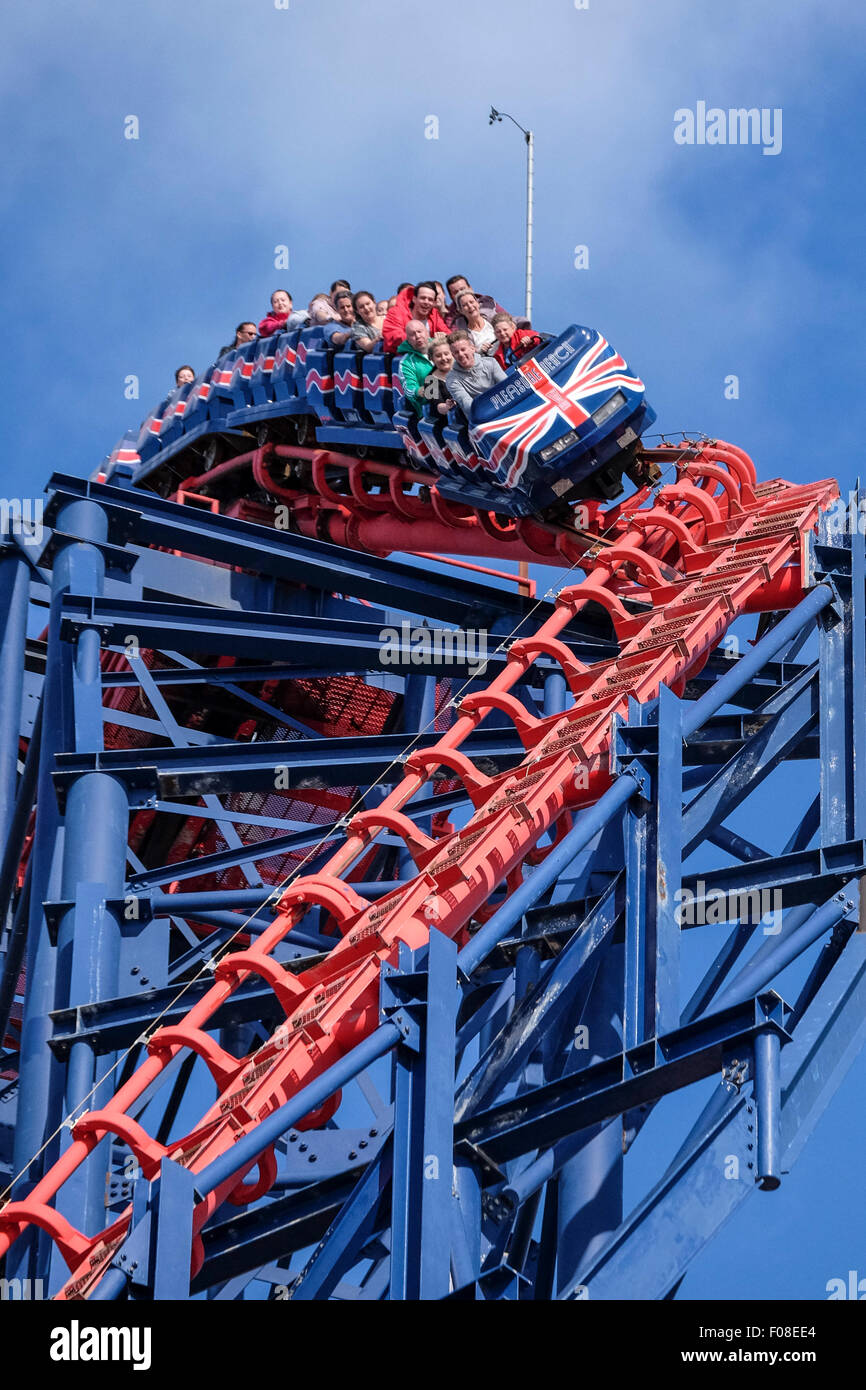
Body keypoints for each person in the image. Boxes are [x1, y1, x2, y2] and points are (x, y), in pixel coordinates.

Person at [446, 330, 506, 417]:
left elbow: (507, 387)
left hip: (503, 408)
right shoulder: (451, 379)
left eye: (463, 349)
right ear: (453, 355)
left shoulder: (491, 363)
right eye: (456, 352)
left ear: (472, 348)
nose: (461, 354)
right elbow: (468, 405)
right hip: (480, 418)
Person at [382, 281, 449, 353]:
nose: (426, 302)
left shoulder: (434, 314)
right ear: (414, 299)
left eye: (430, 299)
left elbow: (447, 333)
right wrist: (430, 341)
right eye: (423, 298)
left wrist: (445, 337)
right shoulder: (396, 312)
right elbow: (394, 336)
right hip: (402, 358)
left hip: (429, 358)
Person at [396, 319, 433, 414]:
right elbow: (409, 390)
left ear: (427, 332)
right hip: (427, 409)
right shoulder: (406, 362)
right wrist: (420, 391)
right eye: (412, 334)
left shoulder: (442, 348)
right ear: (408, 340)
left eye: (420, 331)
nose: (417, 336)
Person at [419, 335, 456, 416]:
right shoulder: (429, 380)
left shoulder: (463, 370)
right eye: (438, 356)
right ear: (432, 358)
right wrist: (447, 406)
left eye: (446, 354)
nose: (443, 358)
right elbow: (438, 407)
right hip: (446, 421)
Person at [454, 290, 497, 355]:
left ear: (478, 303)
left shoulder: (492, 317)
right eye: (465, 305)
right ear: (460, 311)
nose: (470, 306)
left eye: (471, 302)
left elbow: (511, 322)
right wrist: (480, 351)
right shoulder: (464, 336)